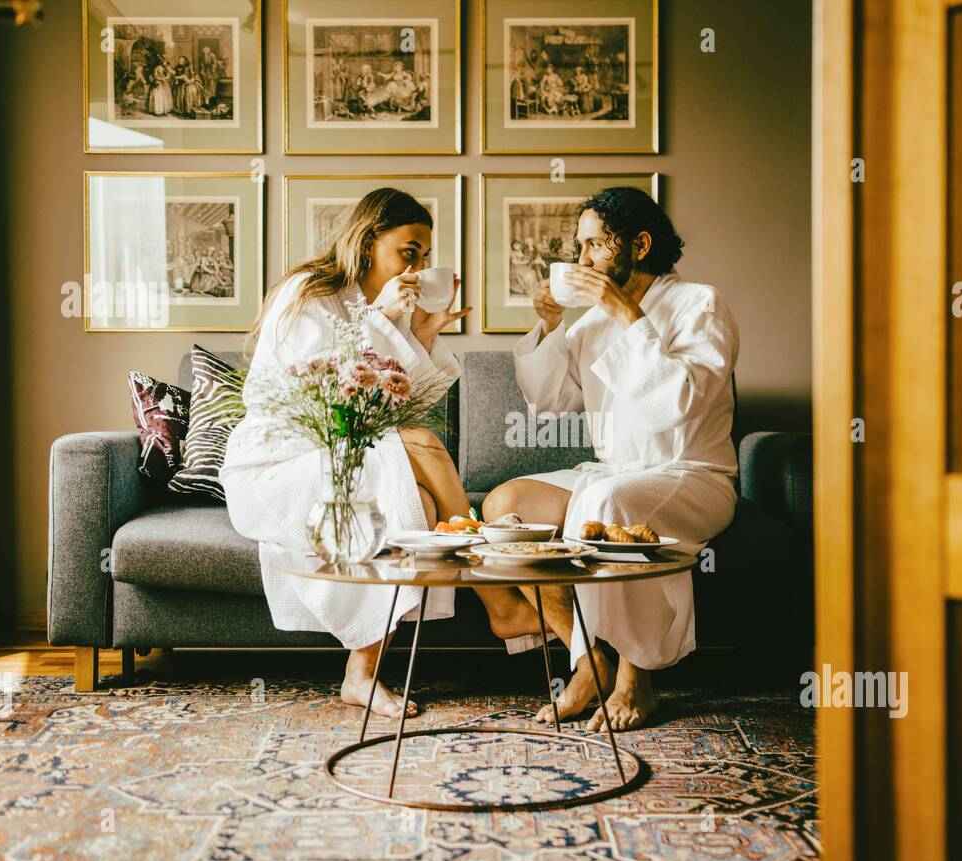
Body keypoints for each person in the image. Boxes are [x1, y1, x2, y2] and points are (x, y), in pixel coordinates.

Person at [220, 189, 543, 719]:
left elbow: (394, 402)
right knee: (420, 441)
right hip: (279, 465)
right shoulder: (308, 292)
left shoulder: (381, 308)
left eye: (424, 257)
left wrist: (420, 333)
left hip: (345, 455)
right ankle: (500, 601)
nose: (418, 266)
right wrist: (382, 323)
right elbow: (322, 395)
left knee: (422, 507)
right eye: (408, 252)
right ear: (369, 243)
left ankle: (361, 674)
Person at [483, 187, 739, 731]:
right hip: (616, 473)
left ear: (639, 244)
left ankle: (635, 679)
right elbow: (551, 402)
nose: (581, 262)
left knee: (607, 500)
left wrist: (627, 313)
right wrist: (553, 326)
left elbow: (677, 403)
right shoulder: (592, 322)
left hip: (691, 473)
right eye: (579, 248)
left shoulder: (701, 304)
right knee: (508, 505)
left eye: (594, 245)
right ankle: (587, 662)